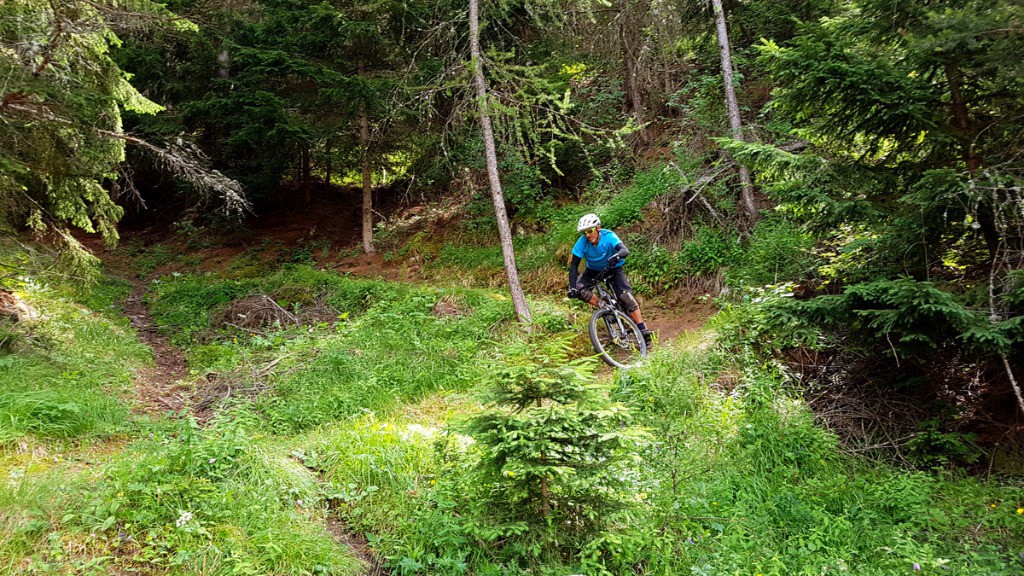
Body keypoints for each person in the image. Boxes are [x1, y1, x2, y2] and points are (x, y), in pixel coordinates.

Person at [567, 213, 653, 347]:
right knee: (579, 290)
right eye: (585, 232)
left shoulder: (609, 236)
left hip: (613, 268)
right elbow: (573, 266)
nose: (588, 235)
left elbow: (624, 250)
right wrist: (572, 287)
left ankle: (642, 329)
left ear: (598, 228)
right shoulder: (582, 243)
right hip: (593, 270)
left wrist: (617, 256)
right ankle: (604, 306)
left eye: (590, 231)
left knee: (625, 298)